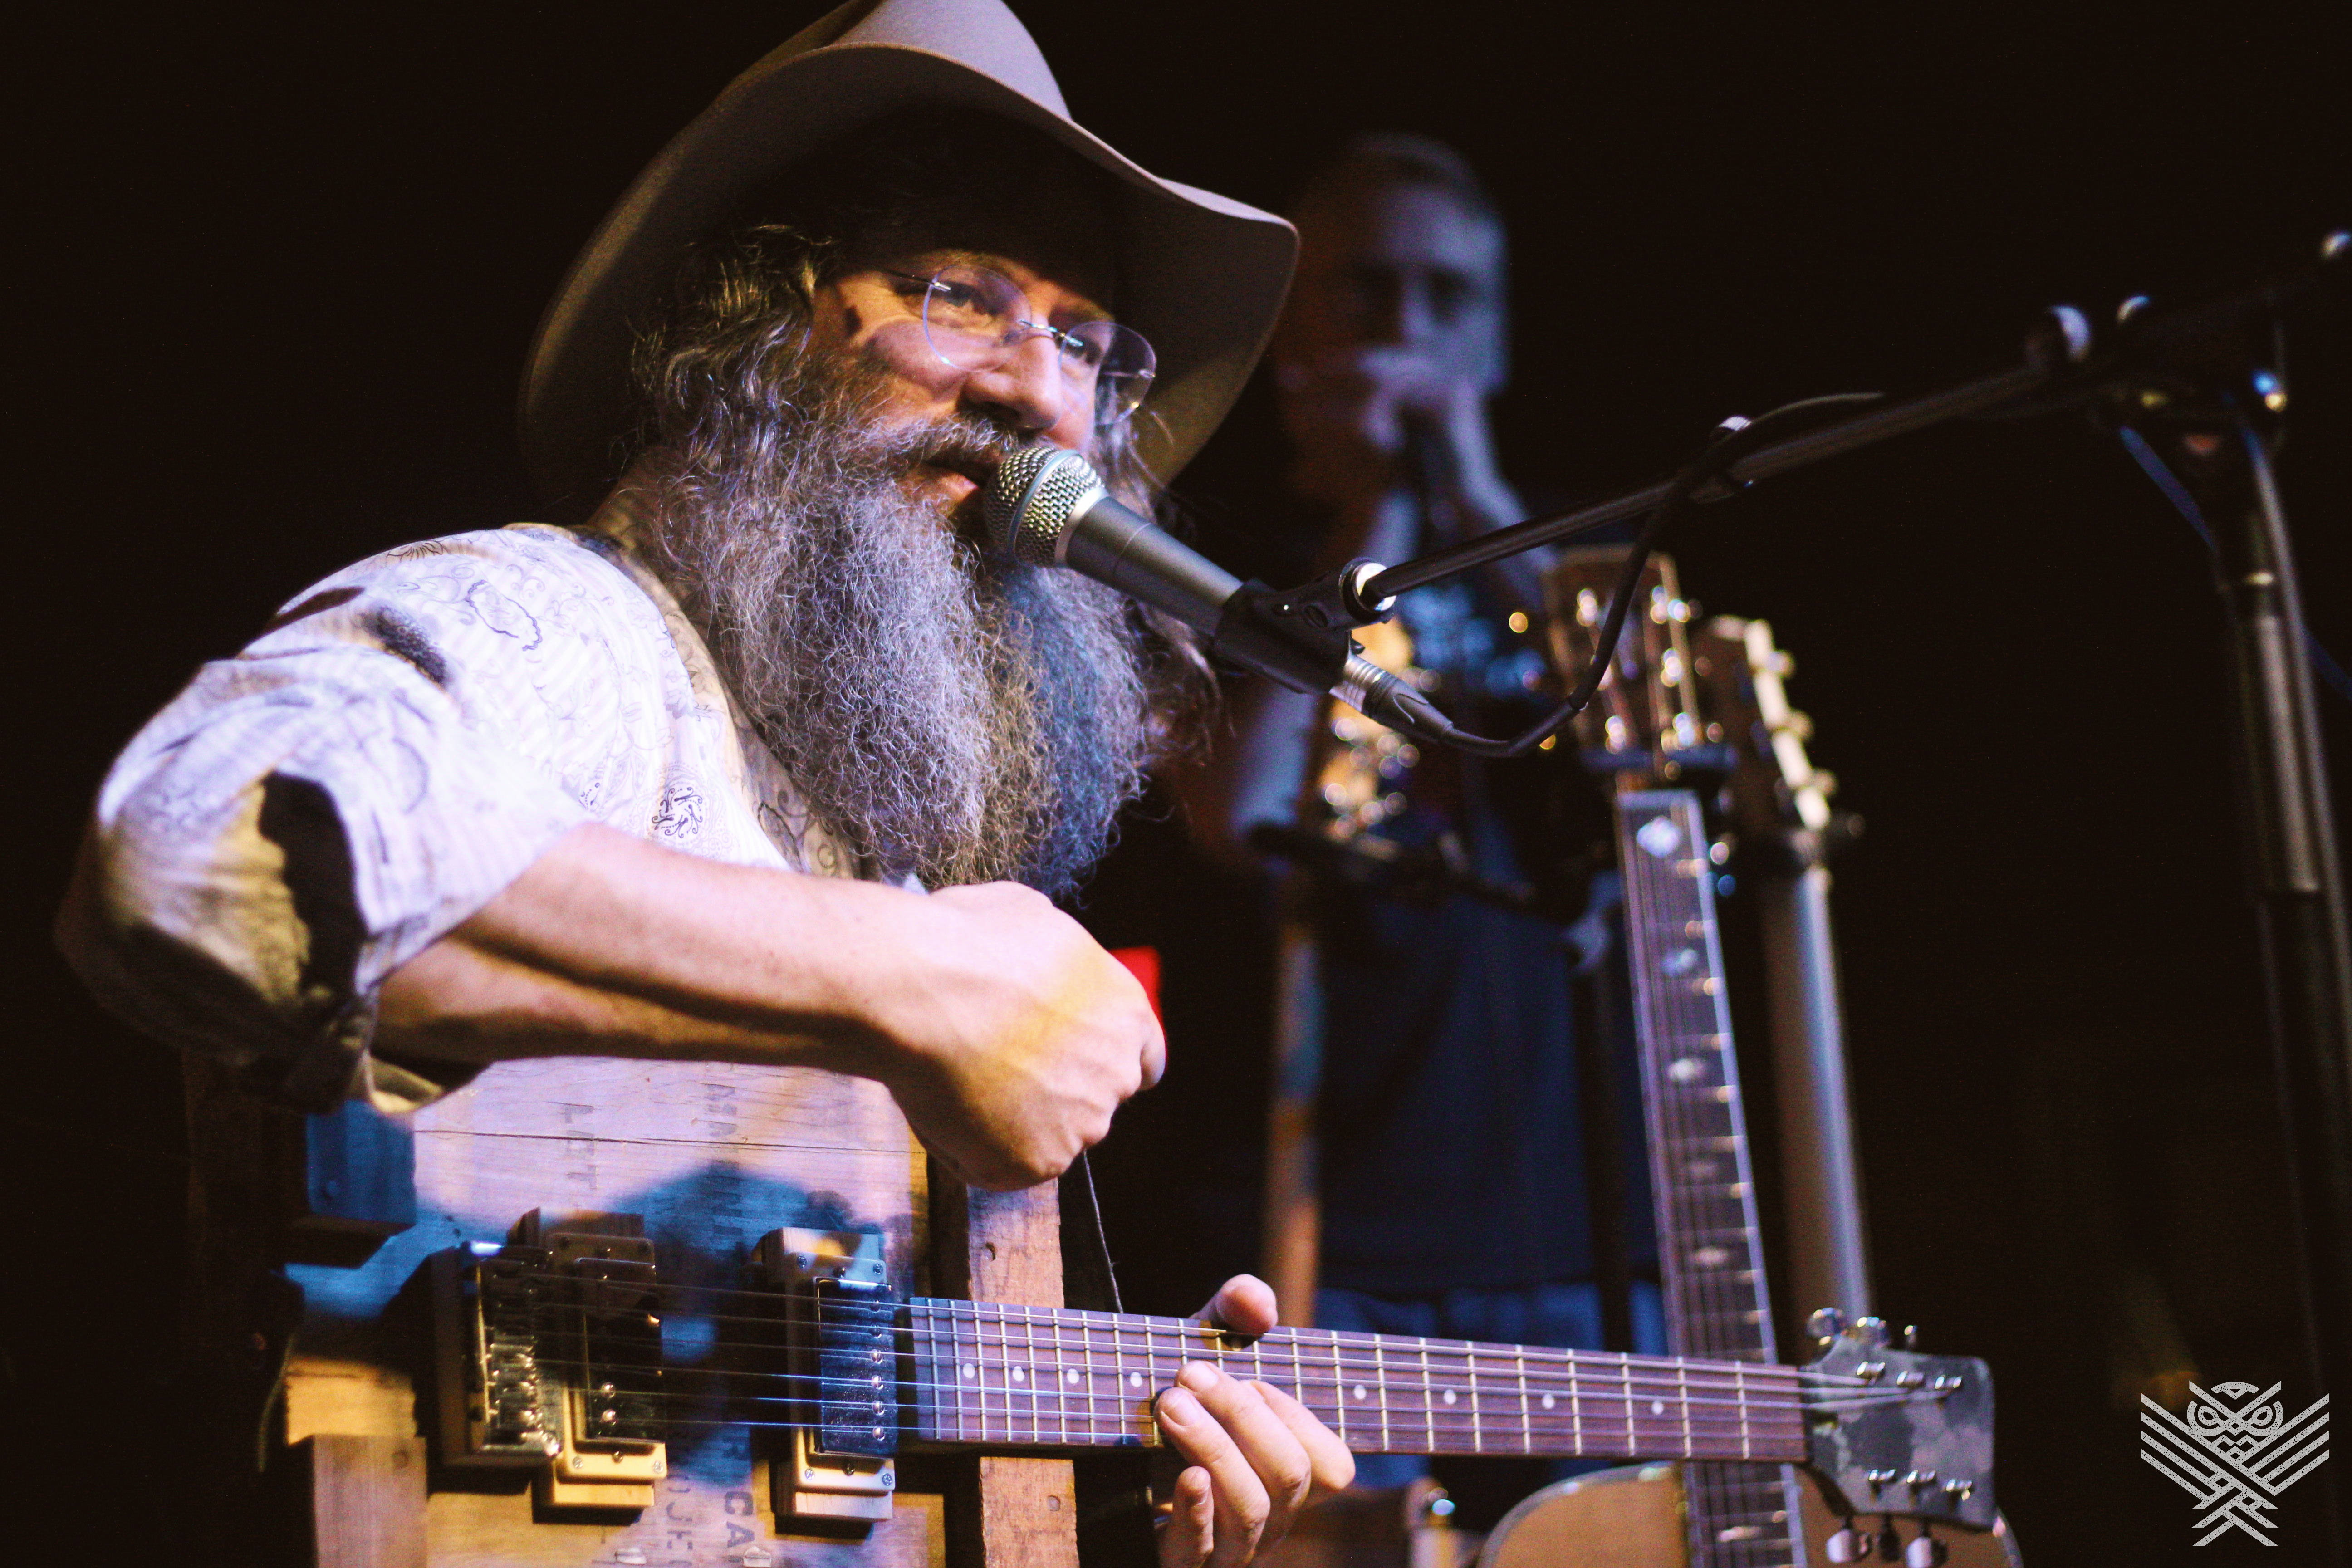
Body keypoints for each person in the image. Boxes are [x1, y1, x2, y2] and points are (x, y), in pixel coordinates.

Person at [55, 2, 1351, 1561]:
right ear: (750, 320)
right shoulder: (564, 626)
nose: (1042, 399)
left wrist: (1131, 1509)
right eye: (960, 295)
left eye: (1082, 342)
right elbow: (198, 852)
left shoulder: (870, 818)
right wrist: (905, 976)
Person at [1198, 135, 1663, 1511]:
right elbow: (1238, 812)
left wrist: (1485, 511)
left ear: (1495, 338)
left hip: (1587, 1235)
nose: (1405, 326)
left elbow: (1662, 772)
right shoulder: (1231, 573)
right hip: (1333, 1244)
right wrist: (1377, 528)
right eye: (1365, 289)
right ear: (1293, 334)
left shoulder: (1576, 563)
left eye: (1445, 296)